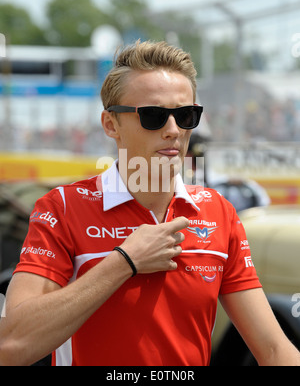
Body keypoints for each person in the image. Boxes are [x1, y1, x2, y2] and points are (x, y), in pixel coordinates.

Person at [0, 40, 299, 367]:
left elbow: (273, 350)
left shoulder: (219, 212)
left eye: (186, 115)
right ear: (111, 124)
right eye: (154, 116)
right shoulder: (62, 208)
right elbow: (12, 345)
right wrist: (124, 261)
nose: (173, 130)